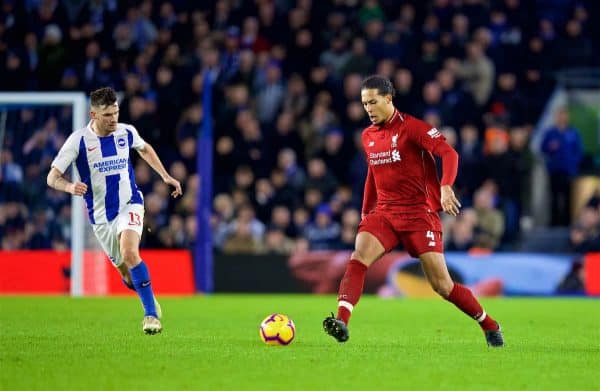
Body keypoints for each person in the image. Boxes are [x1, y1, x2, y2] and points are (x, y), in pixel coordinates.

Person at [323, 75, 504, 347]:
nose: (368, 109)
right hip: (384, 212)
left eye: (373, 102)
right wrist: (365, 211)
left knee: (443, 286)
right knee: (359, 256)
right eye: (364, 104)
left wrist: (445, 187)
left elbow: (449, 153)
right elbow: (373, 173)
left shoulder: (414, 128)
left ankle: (489, 324)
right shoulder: (368, 136)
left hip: (419, 215)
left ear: (388, 99)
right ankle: (342, 320)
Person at [47, 87, 182, 334]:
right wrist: (69, 186)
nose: (113, 119)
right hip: (100, 218)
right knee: (128, 276)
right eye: (107, 114)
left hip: (130, 203)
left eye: (116, 113)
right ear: (93, 114)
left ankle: (150, 315)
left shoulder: (126, 132)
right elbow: (52, 177)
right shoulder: (78, 141)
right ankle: (148, 297)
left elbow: (144, 148)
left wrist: (165, 176)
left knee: (130, 252)